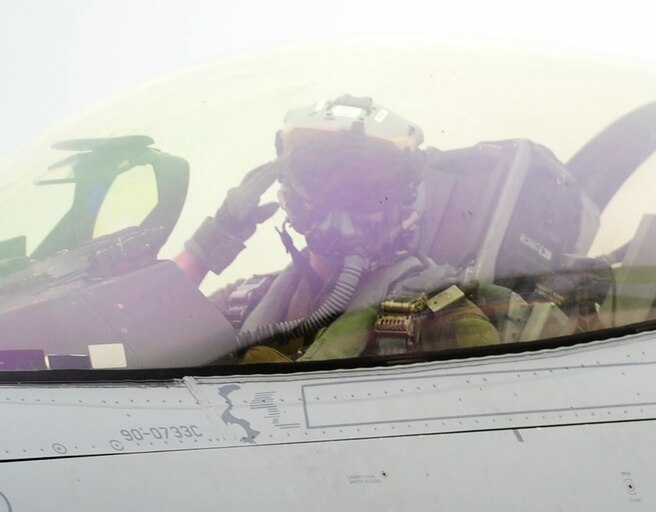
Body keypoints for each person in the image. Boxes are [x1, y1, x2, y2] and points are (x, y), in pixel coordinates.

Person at [173, 94, 498, 363]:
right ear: (289, 187)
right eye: (318, 175)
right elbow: (150, 327)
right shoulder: (244, 304)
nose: (340, 200)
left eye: (368, 183)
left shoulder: (439, 313)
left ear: (405, 197)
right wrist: (211, 241)